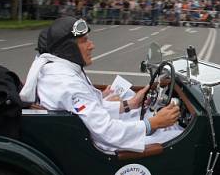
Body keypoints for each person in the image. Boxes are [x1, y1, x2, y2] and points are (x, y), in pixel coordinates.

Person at [19, 16, 182, 153]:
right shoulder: (67, 82)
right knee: (177, 135)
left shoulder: (58, 69)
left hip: (87, 138)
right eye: (84, 41)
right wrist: (153, 123)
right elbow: (106, 132)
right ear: (69, 48)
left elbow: (91, 108)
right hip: (101, 148)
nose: (92, 45)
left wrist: (129, 104)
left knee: (148, 115)